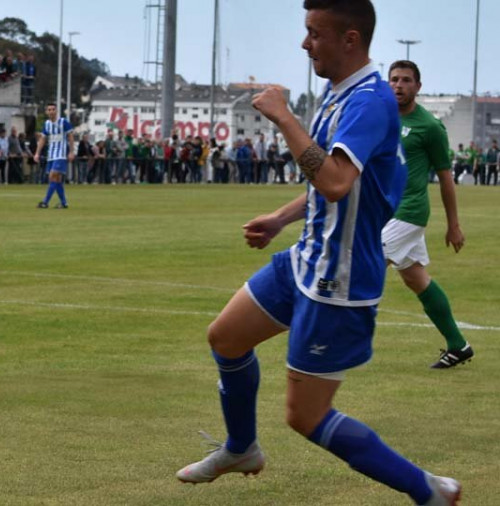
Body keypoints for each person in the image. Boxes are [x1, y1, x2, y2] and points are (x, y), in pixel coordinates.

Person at [175, 2, 461, 505]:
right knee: (225, 338)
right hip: (307, 258)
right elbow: (339, 185)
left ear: (350, 39)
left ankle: (429, 491)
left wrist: (284, 117)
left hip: (342, 279)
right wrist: (281, 219)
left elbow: (333, 181)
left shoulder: (370, 102)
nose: (305, 43)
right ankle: (241, 448)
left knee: (304, 417)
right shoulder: (337, 92)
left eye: (314, 33)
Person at [385, 60, 472, 369]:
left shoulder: (430, 127)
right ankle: (458, 345)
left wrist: (454, 225)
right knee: (415, 277)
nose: (399, 85)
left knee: (366, 263)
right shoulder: (381, 118)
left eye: (406, 80)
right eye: (394, 79)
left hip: (409, 211)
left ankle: (337, 341)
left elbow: (446, 177)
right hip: (384, 210)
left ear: (417, 87)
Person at [34, 103, 74, 209]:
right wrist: (37, 153)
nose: (51, 111)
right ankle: (64, 203)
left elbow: (70, 136)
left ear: (56, 111)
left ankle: (45, 202)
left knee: (52, 176)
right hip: (51, 154)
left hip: (61, 154)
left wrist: (71, 152)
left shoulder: (63, 122)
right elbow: (42, 139)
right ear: (47, 112)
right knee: (57, 179)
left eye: (53, 109)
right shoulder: (46, 124)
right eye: (49, 109)